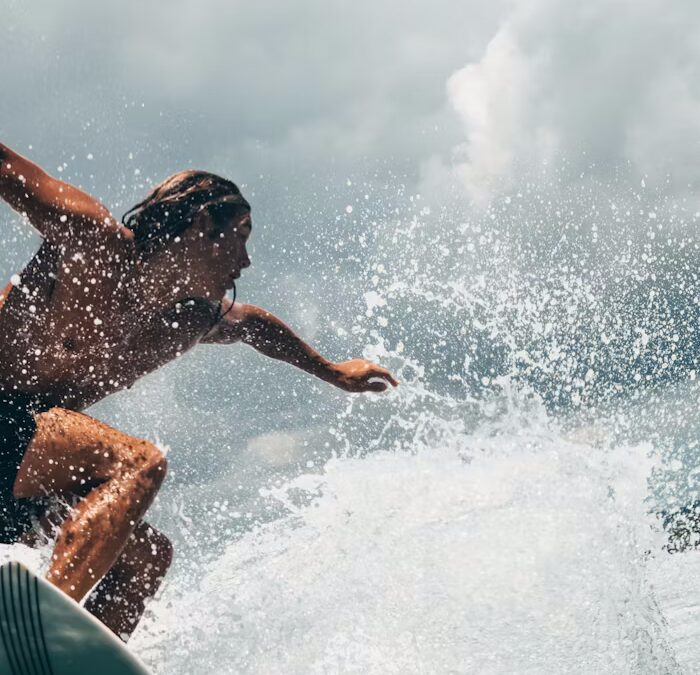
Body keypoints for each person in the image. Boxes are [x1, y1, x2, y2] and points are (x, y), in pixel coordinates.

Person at [0, 142, 399, 640]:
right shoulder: (94, 244)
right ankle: (34, 633)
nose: (247, 260)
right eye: (241, 236)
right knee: (138, 463)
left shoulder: (184, 320)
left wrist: (334, 372)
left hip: (19, 464)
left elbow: (254, 326)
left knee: (146, 559)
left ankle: (69, 661)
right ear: (201, 225)